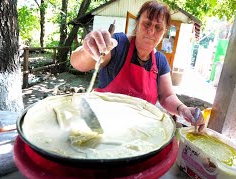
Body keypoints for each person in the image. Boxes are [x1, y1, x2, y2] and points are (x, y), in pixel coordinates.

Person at [70, 0, 205, 131]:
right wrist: (88, 49)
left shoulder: (160, 61)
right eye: (147, 24)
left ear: (164, 32)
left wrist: (183, 109)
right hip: (100, 127)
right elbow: (78, 63)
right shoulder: (118, 44)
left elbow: (167, 96)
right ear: (137, 24)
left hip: (137, 132)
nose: (151, 31)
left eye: (158, 27)